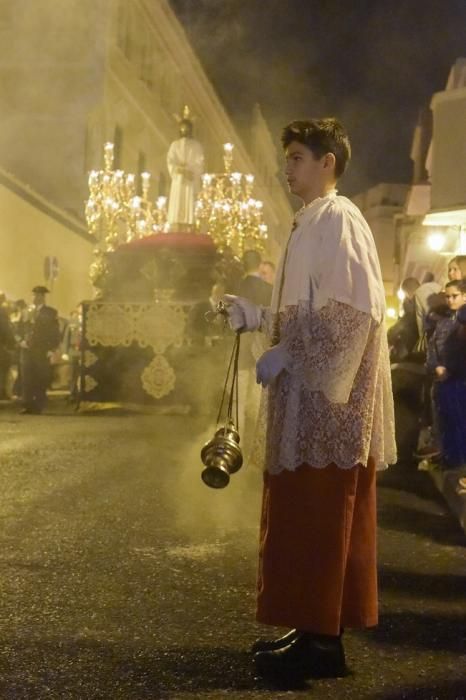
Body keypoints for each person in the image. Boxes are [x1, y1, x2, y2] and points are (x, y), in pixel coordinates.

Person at [225, 118, 396, 682]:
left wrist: (293, 357)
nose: (287, 167)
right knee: (305, 516)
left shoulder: (339, 218)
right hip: (309, 403)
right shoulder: (309, 222)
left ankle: (323, 642)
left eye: (298, 157)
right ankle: (313, 628)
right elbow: (306, 313)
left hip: (331, 406)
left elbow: (351, 316)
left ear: (329, 162)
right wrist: (258, 319)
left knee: (324, 518)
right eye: (287, 157)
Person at [427, 280, 466, 468]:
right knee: (445, 421)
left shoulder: (462, 320)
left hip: (459, 377)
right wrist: (436, 366)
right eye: (447, 296)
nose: (450, 300)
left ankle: (458, 461)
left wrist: (450, 368)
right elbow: (433, 347)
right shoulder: (442, 320)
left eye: (455, 296)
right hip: (443, 378)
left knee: (459, 421)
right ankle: (449, 458)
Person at [18, 286, 60, 414]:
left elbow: (54, 332)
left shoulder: (50, 312)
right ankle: (27, 404)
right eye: (33, 295)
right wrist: (21, 341)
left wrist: (51, 348)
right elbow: (19, 328)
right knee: (27, 377)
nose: (35, 298)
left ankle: (38, 404)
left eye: (38, 295)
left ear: (43, 297)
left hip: (41, 349)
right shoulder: (26, 311)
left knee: (40, 377)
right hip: (27, 349)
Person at [166, 106, 205, 232]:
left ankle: (189, 223)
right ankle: (176, 222)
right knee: (178, 199)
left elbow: (200, 162)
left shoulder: (196, 146)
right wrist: (178, 169)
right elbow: (170, 160)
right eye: (182, 127)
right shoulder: (175, 145)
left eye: (187, 127)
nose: (184, 129)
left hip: (190, 179)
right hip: (178, 179)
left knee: (189, 199)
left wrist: (190, 171)